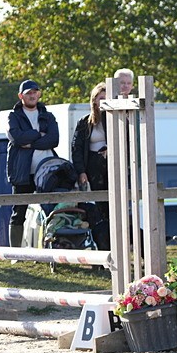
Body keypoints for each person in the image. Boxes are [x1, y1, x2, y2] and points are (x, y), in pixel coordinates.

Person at [5, 80, 60, 248]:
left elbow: (54, 139)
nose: (32, 95)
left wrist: (30, 142)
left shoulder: (47, 115)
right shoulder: (13, 116)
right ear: (21, 96)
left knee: (52, 209)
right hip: (22, 171)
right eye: (28, 93)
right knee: (19, 212)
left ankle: (52, 247)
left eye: (35, 92)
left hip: (46, 171)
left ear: (39, 94)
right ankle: (15, 253)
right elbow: (17, 138)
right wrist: (39, 134)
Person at [71, 83, 111, 248]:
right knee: (96, 209)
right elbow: (76, 149)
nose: (104, 101)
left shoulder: (114, 119)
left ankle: (114, 245)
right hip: (92, 168)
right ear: (94, 100)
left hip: (110, 165)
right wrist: (81, 172)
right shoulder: (84, 122)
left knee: (111, 207)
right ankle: (100, 246)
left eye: (106, 98)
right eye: (101, 98)